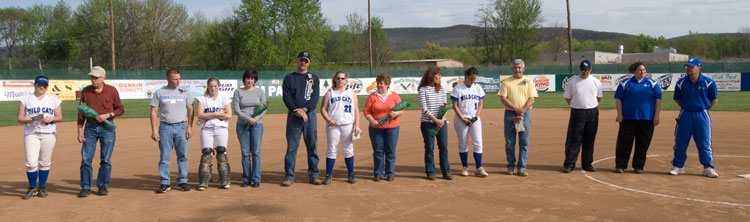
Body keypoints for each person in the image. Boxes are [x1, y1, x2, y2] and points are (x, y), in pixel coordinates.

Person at [76, 66, 125, 197]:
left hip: (107, 127)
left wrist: (108, 115)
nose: (93, 80)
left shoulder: (112, 91)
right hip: (90, 128)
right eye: (92, 77)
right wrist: (79, 130)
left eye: (96, 78)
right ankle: (86, 187)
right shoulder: (86, 91)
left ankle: (102, 185)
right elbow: (82, 112)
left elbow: (120, 109)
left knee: (106, 159)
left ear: (103, 78)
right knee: (86, 158)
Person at [669, 57, 719, 178]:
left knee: (704, 142)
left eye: (691, 67)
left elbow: (714, 100)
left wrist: (702, 109)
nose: (689, 69)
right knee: (681, 141)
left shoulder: (708, 82)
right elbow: (678, 99)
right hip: (685, 114)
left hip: (702, 114)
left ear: (699, 68)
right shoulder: (681, 83)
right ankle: (678, 166)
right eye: (687, 67)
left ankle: (707, 167)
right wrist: (688, 107)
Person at [150, 68, 195, 193]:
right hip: (165, 127)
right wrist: (154, 129)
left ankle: (183, 181)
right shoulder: (160, 92)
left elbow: (191, 109)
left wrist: (189, 127)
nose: (177, 81)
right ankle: (165, 182)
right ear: (168, 79)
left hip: (181, 126)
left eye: (179, 79)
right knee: (164, 156)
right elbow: (153, 111)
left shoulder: (185, 91)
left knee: (183, 156)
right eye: (175, 79)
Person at [17, 76, 62, 200]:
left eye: (44, 85)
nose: (41, 87)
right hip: (31, 133)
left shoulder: (53, 100)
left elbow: (59, 117)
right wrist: (29, 120)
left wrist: (51, 118)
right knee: (31, 162)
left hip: (48, 133)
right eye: (39, 85)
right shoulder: (25, 99)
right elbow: (20, 118)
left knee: (45, 161)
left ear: (47, 86)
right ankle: (32, 187)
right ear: (35, 85)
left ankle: (41, 187)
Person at [281, 51, 322, 187]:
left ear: (309, 63)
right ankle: (289, 176)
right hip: (293, 116)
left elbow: (315, 98)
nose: (303, 63)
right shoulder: (289, 78)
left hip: (309, 115)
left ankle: (314, 175)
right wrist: (297, 110)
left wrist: (304, 110)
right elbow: (287, 98)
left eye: (306, 61)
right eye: (301, 60)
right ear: (297, 61)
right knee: (292, 147)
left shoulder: (313, 79)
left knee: (312, 146)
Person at [614, 62, 662, 174]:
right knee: (624, 143)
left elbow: (658, 100)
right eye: (640, 70)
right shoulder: (625, 84)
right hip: (628, 118)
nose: (642, 72)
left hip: (646, 118)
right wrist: (619, 114)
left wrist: (656, 115)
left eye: (644, 70)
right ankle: (621, 165)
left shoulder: (652, 84)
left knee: (643, 143)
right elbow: (618, 99)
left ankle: (638, 166)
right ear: (634, 71)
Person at [498, 59, 538, 177]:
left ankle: (522, 167)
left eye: (519, 68)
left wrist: (522, 111)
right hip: (510, 114)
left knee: (524, 142)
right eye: (515, 68)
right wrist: (517, 109)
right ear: (512, 69)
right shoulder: (506, 82)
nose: (517, 70)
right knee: (510, 142)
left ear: (523, 69)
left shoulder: (529, 81)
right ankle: (511, 166)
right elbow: (503, 99)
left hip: (524, 115)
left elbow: (532, 98)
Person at [320, 71, 361, 184]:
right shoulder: (330, 92)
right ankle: (328, 175)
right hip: (333, 126)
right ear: (335, 79)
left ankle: (351, 174)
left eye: (342, 78)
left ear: (346, 80)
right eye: (338, 78)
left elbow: (356, 110)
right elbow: (323, 109)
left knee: (348, 150)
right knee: (331, 149)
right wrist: (328, 120)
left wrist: (357, 125)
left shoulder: (351, 93)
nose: (340, 80)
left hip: (348, 124)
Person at [562, 60, 603, 173]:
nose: (585, 72)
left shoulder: (596, 81)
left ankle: (587, 164)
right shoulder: (573, 81)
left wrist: (591, 105)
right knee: (574, 139)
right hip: (578, 112)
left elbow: (599, 97)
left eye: (587, 70)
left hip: (592, 112)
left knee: (589, 139)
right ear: (580, 70)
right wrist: (576, 105)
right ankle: (569, 164)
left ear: (590, 69)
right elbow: (567, 97)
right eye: (583, 70)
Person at [364, 73, 404, 182]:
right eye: (378, 83)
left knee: (390, 150)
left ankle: (390, 173)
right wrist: (372, 120)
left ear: (387, 84)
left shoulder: (394, 95)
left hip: (392, 127)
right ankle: (378, 173)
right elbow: (366, 111)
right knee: (378, 151)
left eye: (381, 83)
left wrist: (396, 114)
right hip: (375, 128)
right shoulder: (372, 96)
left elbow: (402, 109)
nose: (379, 85)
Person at [196, 77, 232, 190]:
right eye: (211, 86)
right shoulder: (202, 99)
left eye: (215, 86)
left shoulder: (224, 98)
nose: (213, 88)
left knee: (222, 152)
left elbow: (229, 115)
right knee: (206, 154)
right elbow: (200, 115)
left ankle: (225, 180)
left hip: (221, 128)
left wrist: (210, 114)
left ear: (219, 87)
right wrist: (218, 113)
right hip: (207, 129)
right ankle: (204, 181)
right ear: (207, 87)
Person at [451, 67, 489, 178]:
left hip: (475, 119)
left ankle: (478, 168)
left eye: (475, 79)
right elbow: (455, 105)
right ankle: (465, 167)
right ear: (466, 76)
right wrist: (463, 118)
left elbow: (481, 104)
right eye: (471, 78)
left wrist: (476, 117)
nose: (473, 81)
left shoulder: (477, 87)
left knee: (478, 143)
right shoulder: (458, 88)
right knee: (463, 144)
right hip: (461, 119)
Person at [234, 69, 266, 188]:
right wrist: (248, 119)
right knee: (245, 152)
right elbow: (236, 110)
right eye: (248, 78)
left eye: (252, 78)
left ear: (255, 80)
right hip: (242, 125)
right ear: (244, 79)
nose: (249, 80)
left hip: (257, 125)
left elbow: (264, 107)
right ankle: (246, 178)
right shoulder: (238, 92)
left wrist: (255, 119)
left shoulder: (260, 92)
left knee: (256, 152)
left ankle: (256, 178)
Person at [418, 66, 452, 180]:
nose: (439, 77)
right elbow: (424, 109)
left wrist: (442, 120)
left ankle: (446, 171)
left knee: (443, 147)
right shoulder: (423, 90)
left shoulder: (442, 89)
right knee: (429, 148)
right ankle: (430, 172)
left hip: (441, 122)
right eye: (438, 75)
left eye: (440, 75)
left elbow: (445, 105)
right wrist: (435, 120)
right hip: (428, 123)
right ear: (431, 75)